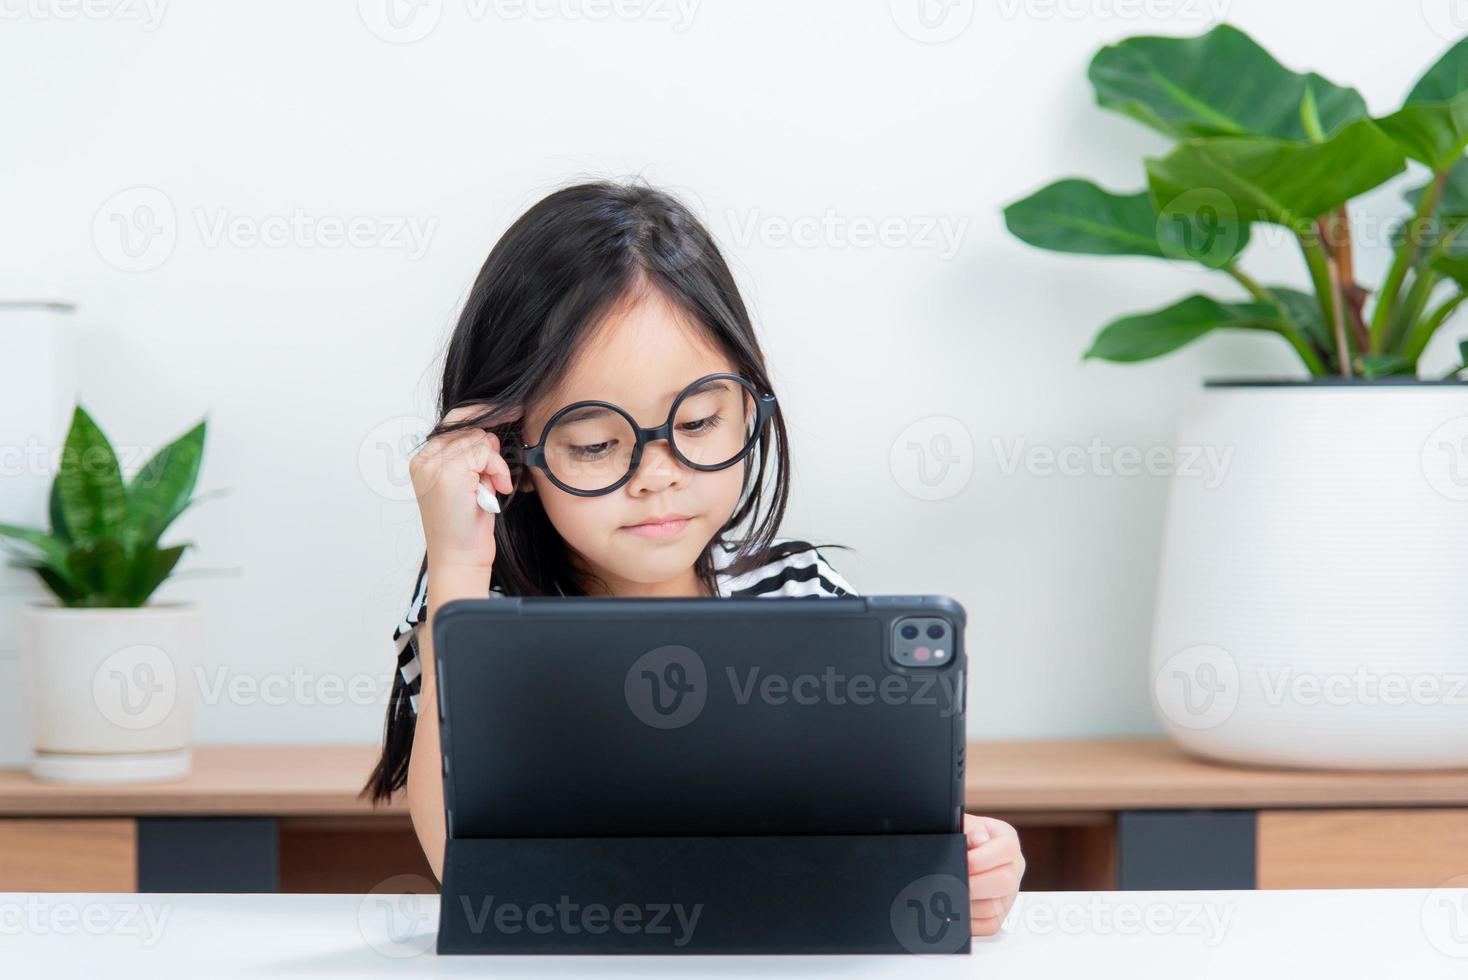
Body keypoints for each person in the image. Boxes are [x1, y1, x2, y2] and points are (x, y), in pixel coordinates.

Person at [365, 180, 1023, 936]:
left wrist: (972, 861)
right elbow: (461, 860)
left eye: (700, 420)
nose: (657, 476)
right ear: (510, 446)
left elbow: (873, 837)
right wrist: (453, 567)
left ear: (751, 396)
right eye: (592, 443)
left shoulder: (801, 600)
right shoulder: (472, 605)